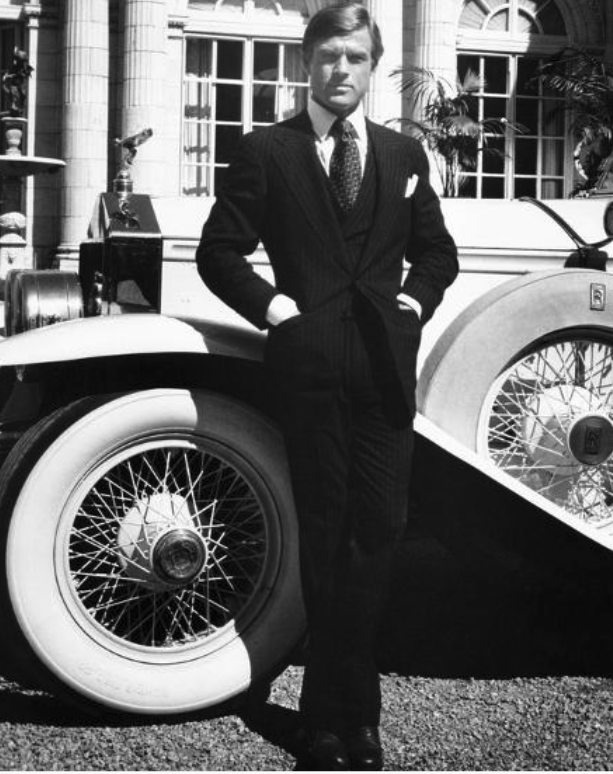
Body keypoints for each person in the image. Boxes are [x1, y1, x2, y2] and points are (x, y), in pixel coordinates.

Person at [196, 3, 458, 769]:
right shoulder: (266, 151)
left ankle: (347, 709)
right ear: (306, 63)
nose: (339, 69)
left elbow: (437, 253)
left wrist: (413, 304)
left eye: (353, 57)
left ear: (371, 67)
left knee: (378, 533)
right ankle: (335, 721)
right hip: (308, 374)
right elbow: (219, 252)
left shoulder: (401, 154)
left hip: (383, 375)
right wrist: (278, 312)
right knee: (323, 535)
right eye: (327, 56)